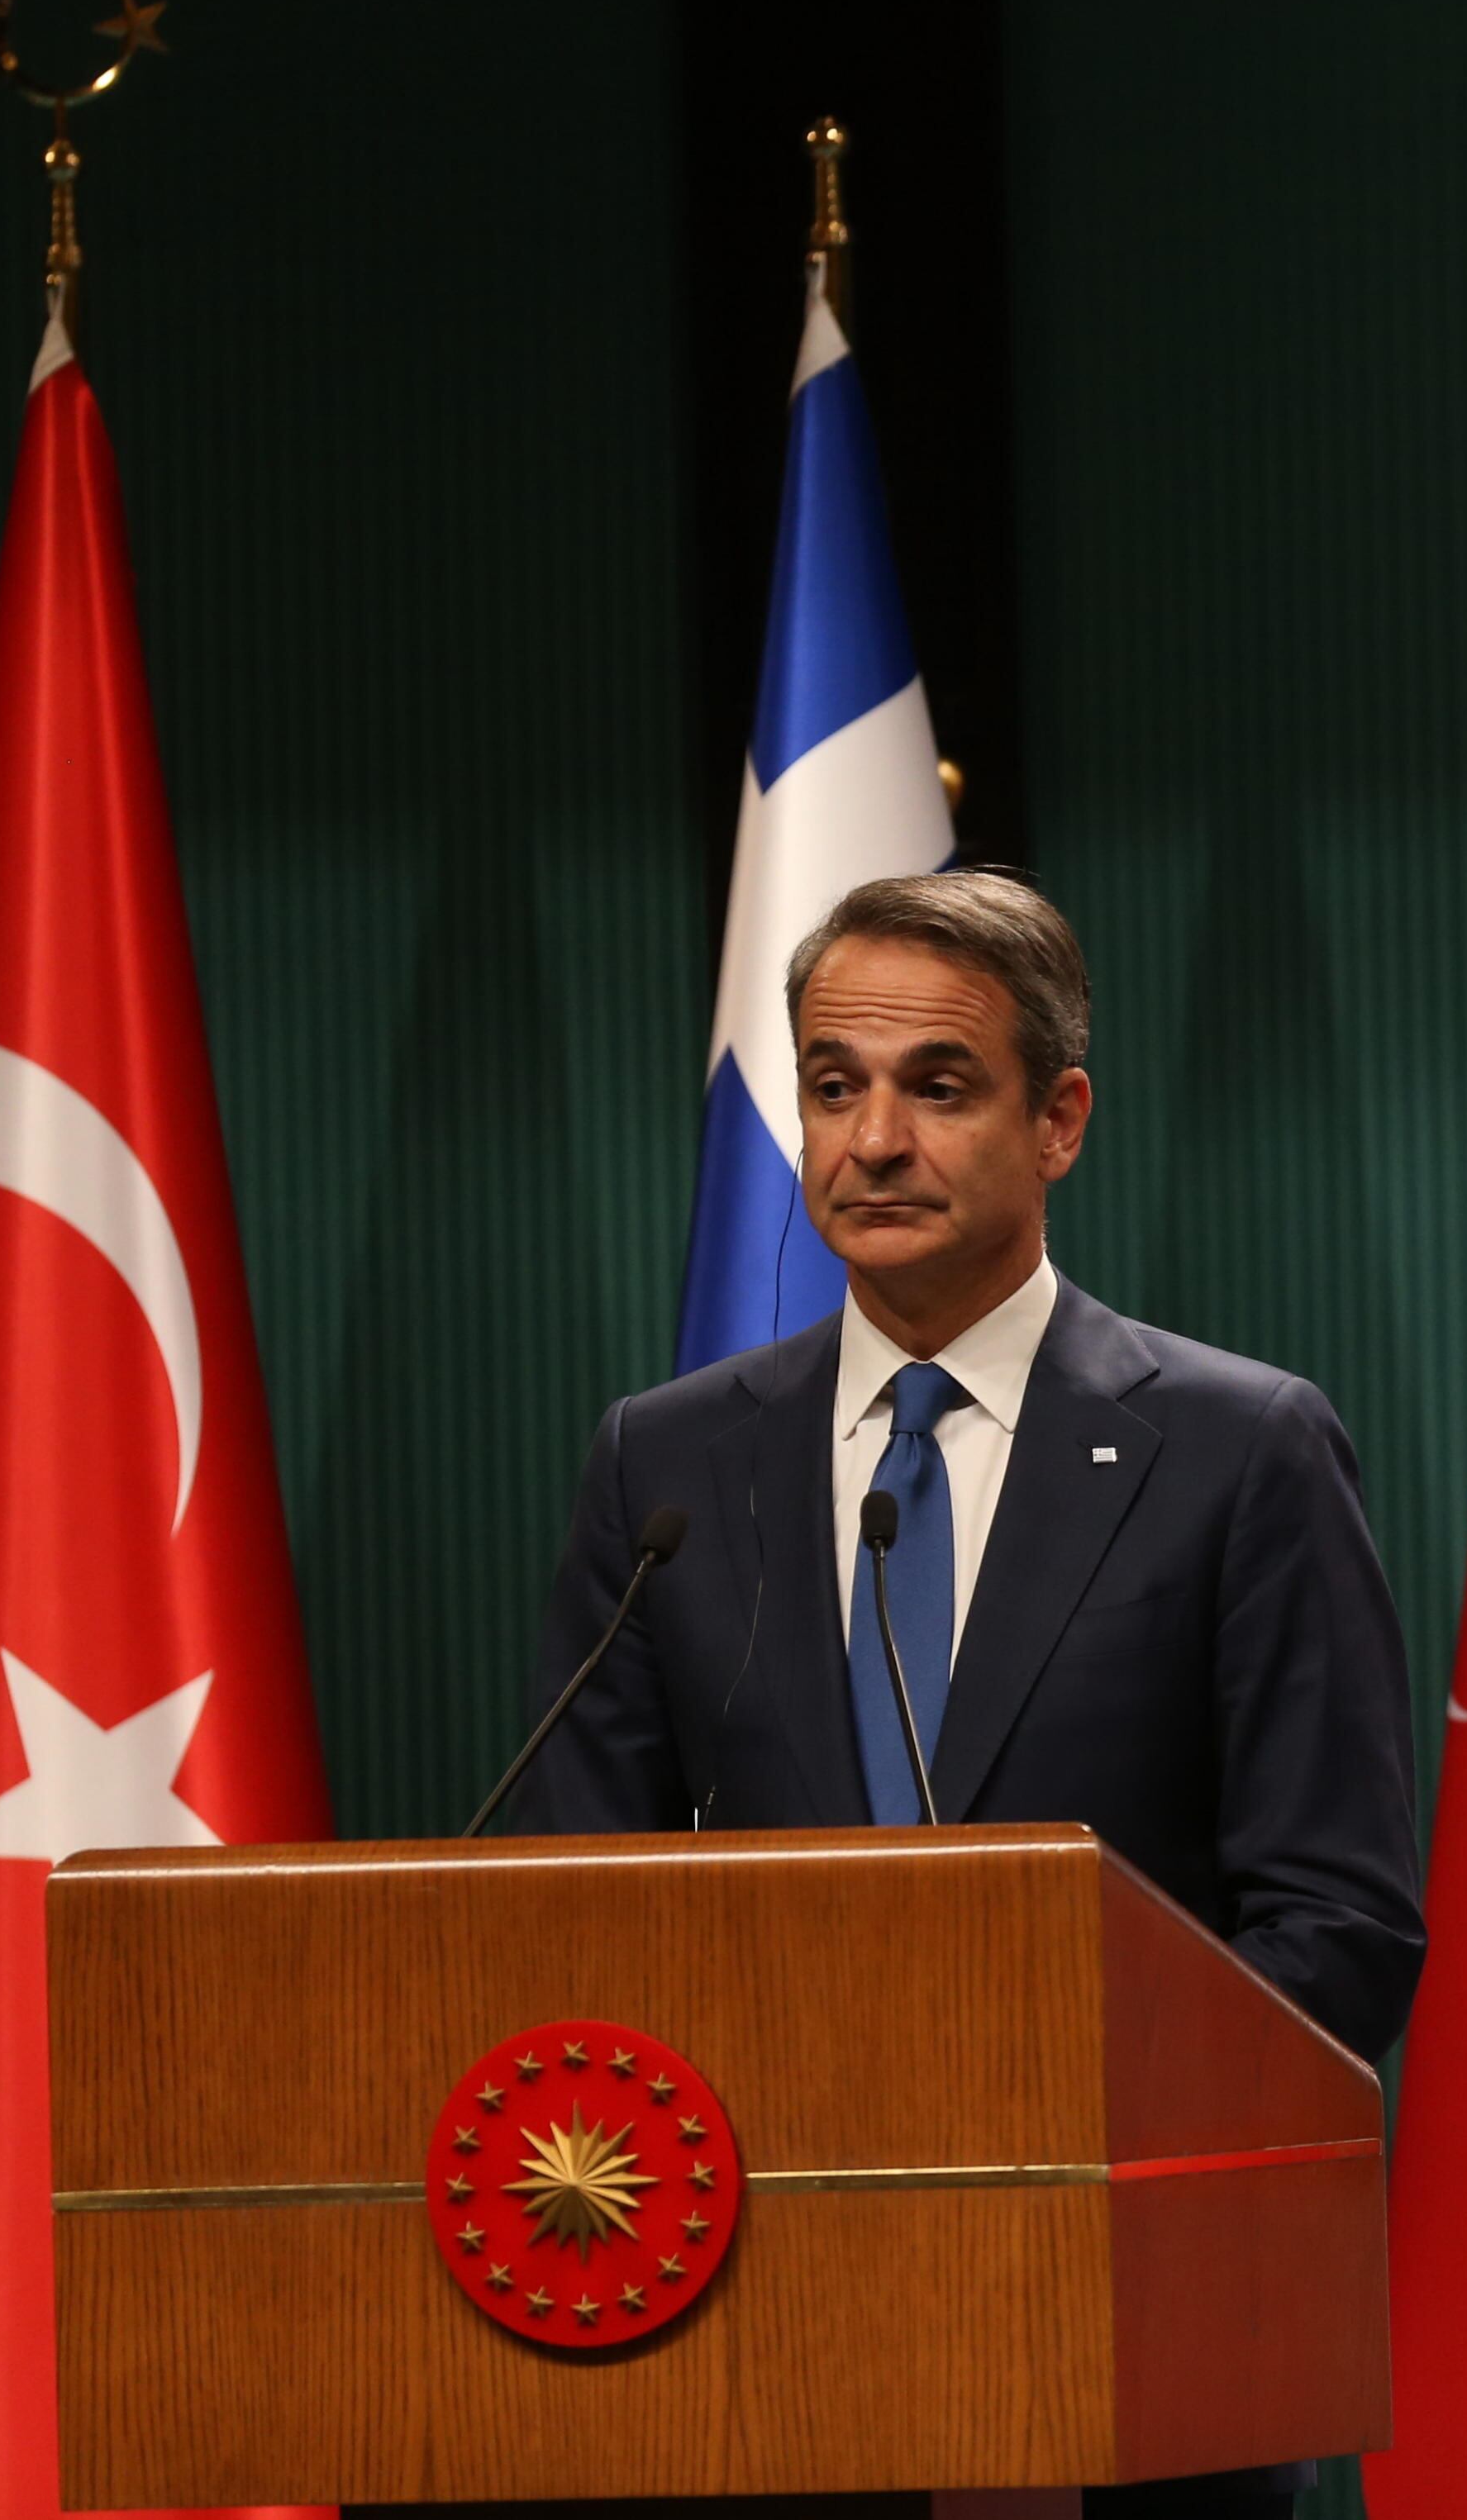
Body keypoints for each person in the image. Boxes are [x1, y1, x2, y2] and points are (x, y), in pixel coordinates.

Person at [512, 871, 1420, 2514]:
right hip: (760, 2342)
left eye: (939, 1085)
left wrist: (1007, 2129)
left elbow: (1338, 1925)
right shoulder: (667, 1462)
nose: (871, 1141)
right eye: (832, 1084)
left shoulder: (1238, 1449)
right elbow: (582, 1903)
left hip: (1130, 2342)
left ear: (1058, 1118)